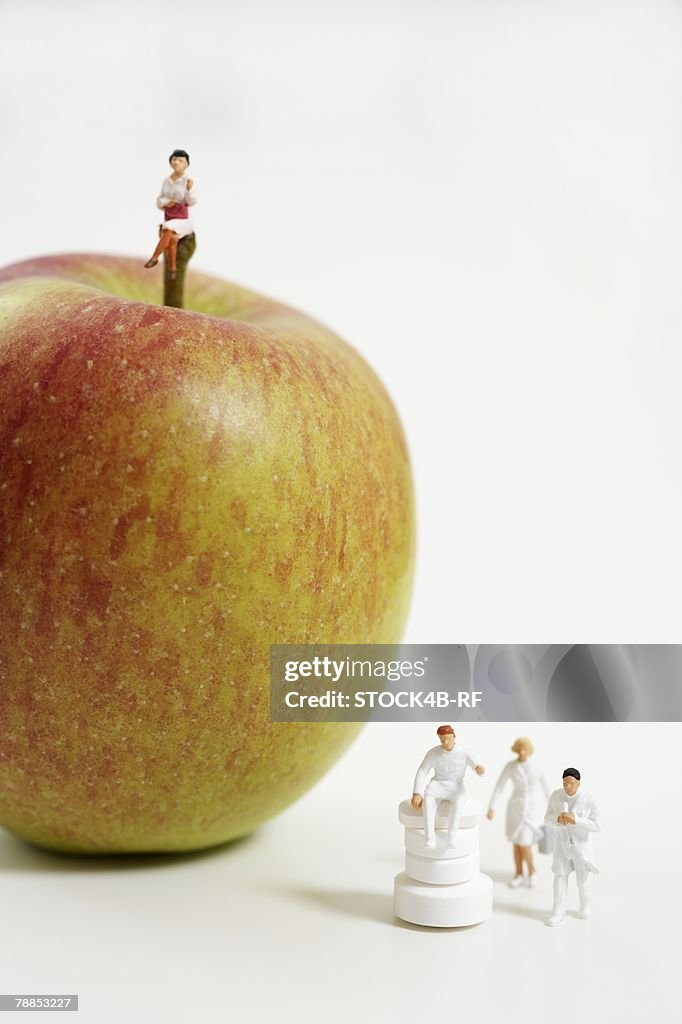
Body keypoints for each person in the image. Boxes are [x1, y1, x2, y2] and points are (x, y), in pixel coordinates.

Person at [486, 737, 550, 888]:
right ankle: (519, 873)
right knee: (516, 843)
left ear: (529, 751)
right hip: (515, 808)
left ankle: (532, 871)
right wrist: (492, 807)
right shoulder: (510, 767)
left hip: (531, 809)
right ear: (515, 750)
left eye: (524, 749)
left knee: (525, 842)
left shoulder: (537, 768)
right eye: (519, 749)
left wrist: (555, 809)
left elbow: (547, 789)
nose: (522, 752)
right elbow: (499, 786)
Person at [411, 725, 485, 850]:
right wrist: (417, 793)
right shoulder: (433, 753)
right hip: (437, 784)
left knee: (457, 805)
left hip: (456, 786)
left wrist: (479, 770)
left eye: (447, 739)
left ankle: (451, 838)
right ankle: (429, 839)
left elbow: (476, 767)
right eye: (442, 740)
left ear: (454, 737)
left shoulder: (465, 752)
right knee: (428, 803)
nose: (445, 742)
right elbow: (423, 771)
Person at [544, 767, 600, 927]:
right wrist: (557, 820)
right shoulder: (556, 796)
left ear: (578, 783)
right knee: (559, 878)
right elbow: (547, 818)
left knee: (583, 880)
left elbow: (596, 825)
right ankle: (558, 912)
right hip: (561, 846)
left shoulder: (588, 799)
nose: (567, 787)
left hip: (581, 847)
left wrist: (577, 820)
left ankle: (585, 906)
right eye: (564, 783)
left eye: (571, 783)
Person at [145, 149, 196, 281]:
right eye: (174, 159)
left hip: (183, 221)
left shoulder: (188, 181)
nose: (177, 162)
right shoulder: (166, 181)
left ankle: (154, 257)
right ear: (170, 162)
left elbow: (192, 202)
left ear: (186, 164)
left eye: (181, 160)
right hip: (170, 216)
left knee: (166, 228)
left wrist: (190, 190)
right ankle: (172, 268)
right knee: (172, 239)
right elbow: (159, 200)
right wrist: (167, 202)